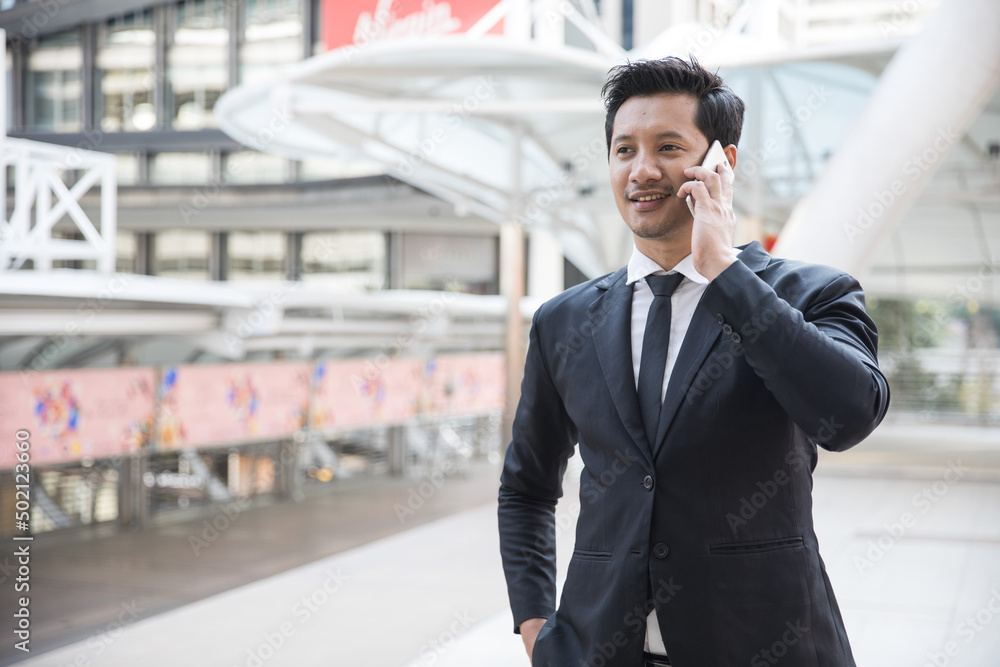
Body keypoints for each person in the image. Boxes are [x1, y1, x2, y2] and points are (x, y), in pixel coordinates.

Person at [497, 56, 890, 667]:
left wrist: (725, 273)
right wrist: (534, 625)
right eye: (624, 150)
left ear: (720, 163)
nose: (642, 170)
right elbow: (525, 487)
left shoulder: (810, 295)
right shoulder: (564, 321)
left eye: (669, 146)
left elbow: (848, 417)